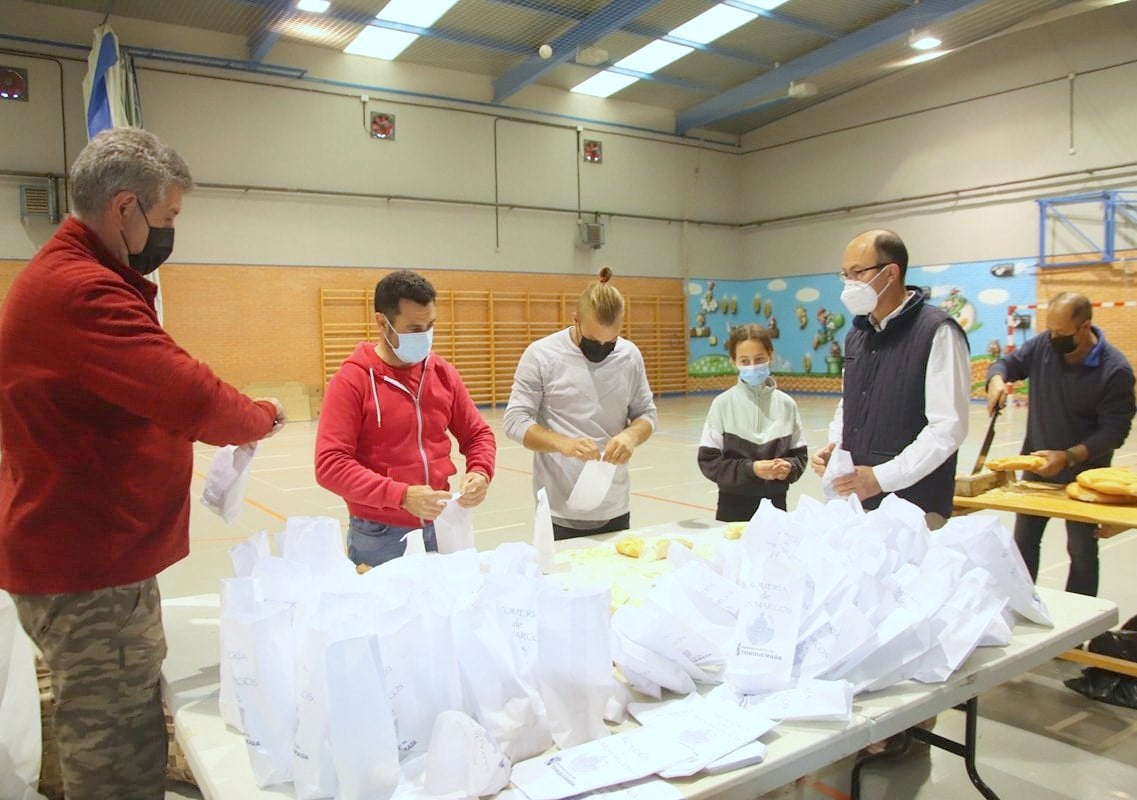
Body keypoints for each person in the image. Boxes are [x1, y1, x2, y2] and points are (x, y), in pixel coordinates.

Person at [0, 128, 286, 800]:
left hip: (91, 553)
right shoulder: (82, 291)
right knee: (115, 747)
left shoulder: (74, 277)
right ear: (124, 208)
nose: (170, 233)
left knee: (121, 715)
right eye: (169, 216)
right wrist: (259, 416)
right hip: (87, 565)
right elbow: (185, 392)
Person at [315, 270, 496, 566]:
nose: (424, 337)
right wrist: (400, 495)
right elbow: (330, 465)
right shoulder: (352, 381)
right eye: (413, 329)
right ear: (381, 323)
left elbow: (478, 434)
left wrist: (480, 471)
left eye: (430, 326)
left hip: (441, 524)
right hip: (379, 535)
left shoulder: (441, 373)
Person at [812, 229, 971, 526]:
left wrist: (881, 478)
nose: (849, 283)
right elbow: (850, 403)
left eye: (858, 272)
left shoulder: (937, 331)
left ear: (890, 273)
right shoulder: (857, 334)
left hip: (916, 508)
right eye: (845, 275)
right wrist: (836, 449)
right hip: (858, 502)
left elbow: (948, 427)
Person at [986, 291, 1136, 596]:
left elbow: (1114, 432)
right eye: (1050, 331)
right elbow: (1006, 364)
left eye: (1061, 333)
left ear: (1085, 327)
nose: (1053, 338)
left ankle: (1081, 615)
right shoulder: (1043, 345)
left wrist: (1068, 457)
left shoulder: (1115, 371)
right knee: (1024, 541)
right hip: (1037, 467)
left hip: (1085, 476)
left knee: (1081, 551)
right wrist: (996, 380)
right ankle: (1021, 604)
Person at [504, 268, 657, 539]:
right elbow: (515, 421)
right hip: (558, 510)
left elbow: (646, 414)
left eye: (610, 342)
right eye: (593, 340)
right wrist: (563, 444)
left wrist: (631, 436)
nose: (601, 348)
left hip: (615, 506)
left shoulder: (630, 356)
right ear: (575, 320)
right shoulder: (541, 355)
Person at [698, 324, 808, 521]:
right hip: (732, 508)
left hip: (776, 508)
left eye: (759, 359)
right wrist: (751, 469)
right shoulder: (722, 404)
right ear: (734, 361)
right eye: (745, 361)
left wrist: (789, 468)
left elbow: (799, 456)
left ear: (770, 356)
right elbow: (709, 462)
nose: (752, 366)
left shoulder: (787, 405)